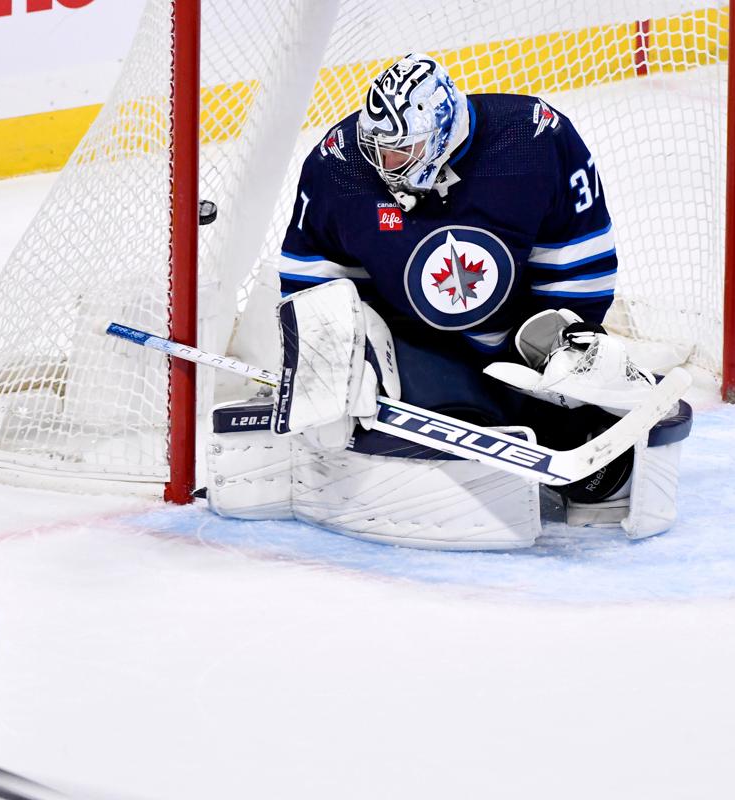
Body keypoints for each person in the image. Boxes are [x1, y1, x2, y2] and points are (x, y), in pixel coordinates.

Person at [206, 53, 691, 549]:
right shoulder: (341, 168)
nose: (385, 164)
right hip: (412, 346)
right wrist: (338, 358)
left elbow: (577, 257)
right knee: (392, 410)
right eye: (378, 148)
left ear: (441, 132)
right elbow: (313, 277)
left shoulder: (533, 140)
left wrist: (567, 337)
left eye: (401, 150)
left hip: (518, 345)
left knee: (596, 456)